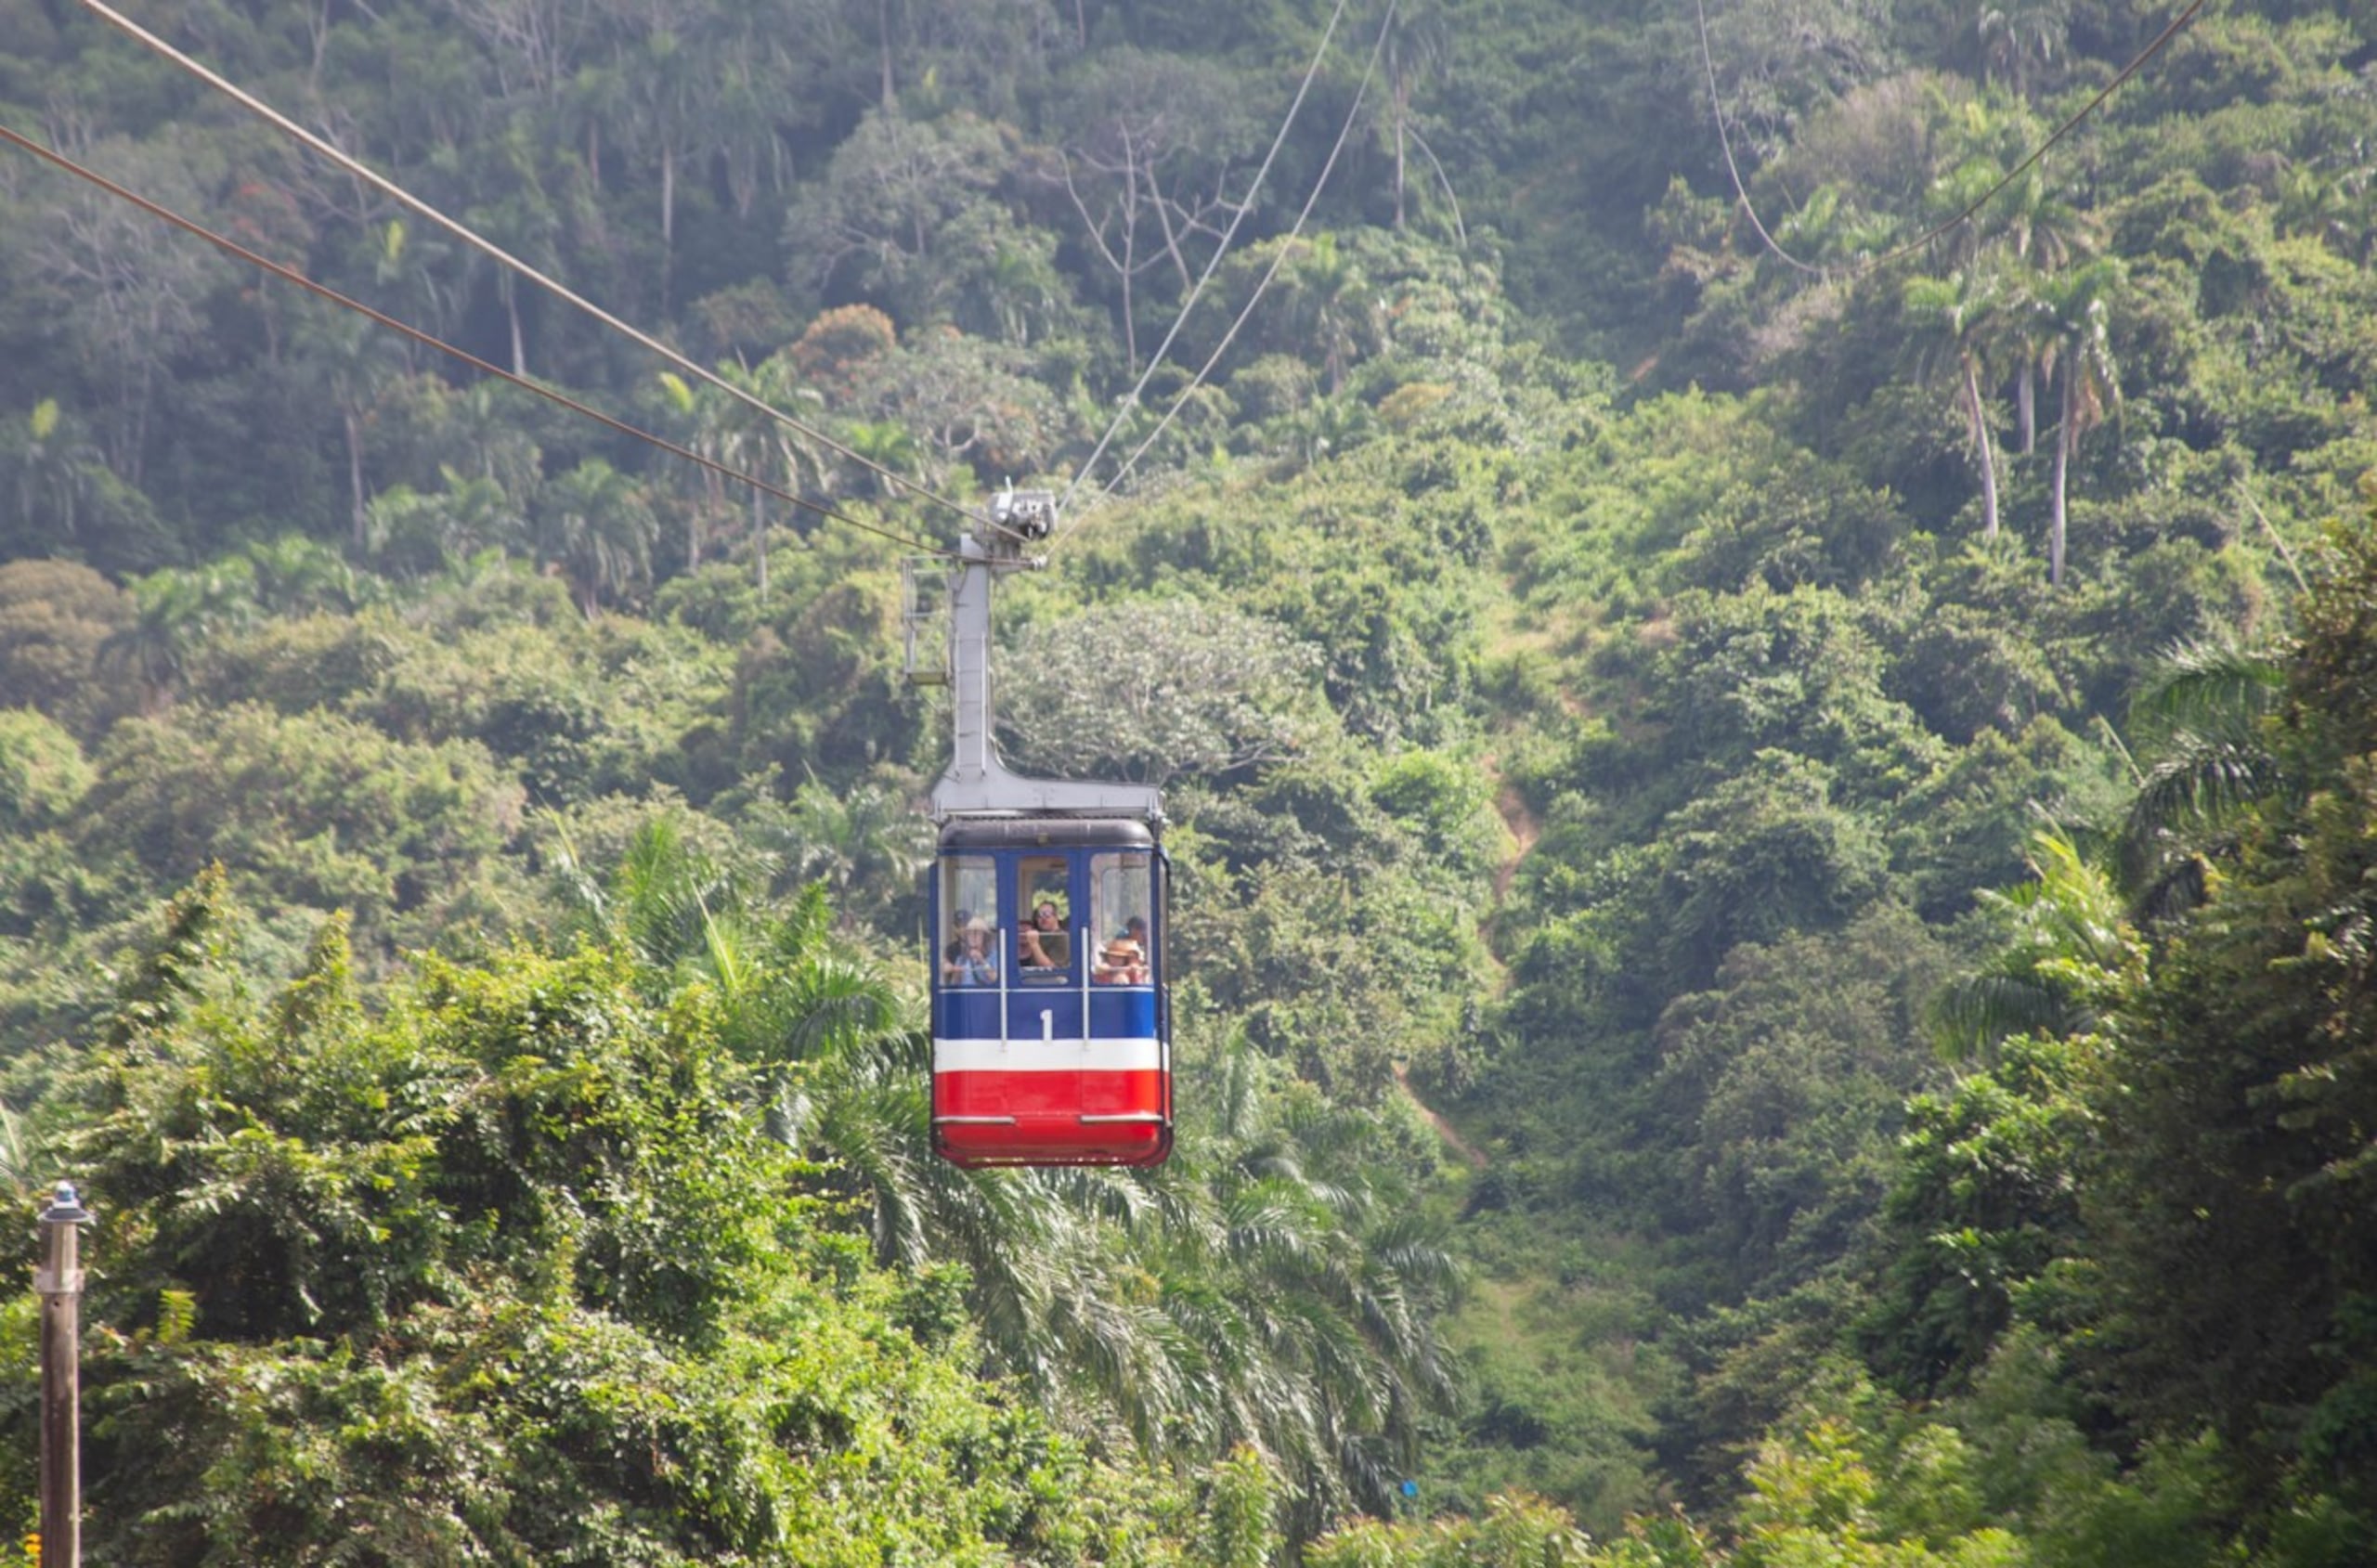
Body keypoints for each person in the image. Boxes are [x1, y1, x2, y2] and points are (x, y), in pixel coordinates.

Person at [944, 918, 999, 986]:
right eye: (969, 934)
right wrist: (954, 970)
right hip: (967, 996)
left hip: (987, 996)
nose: (973, 937)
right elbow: (954, 985)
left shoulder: (994, 956)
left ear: (985, 937)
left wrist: (982, 961)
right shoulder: (962, 958)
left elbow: (996, 979)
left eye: (977, 933)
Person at [1020, 901, 1069, 969]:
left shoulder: (1061, 937)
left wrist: (1034, 944)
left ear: (1056, 916)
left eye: (1047, 914)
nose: (1043, 918)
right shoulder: (1040, 935)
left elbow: (1051, 968)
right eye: (1039, 915)